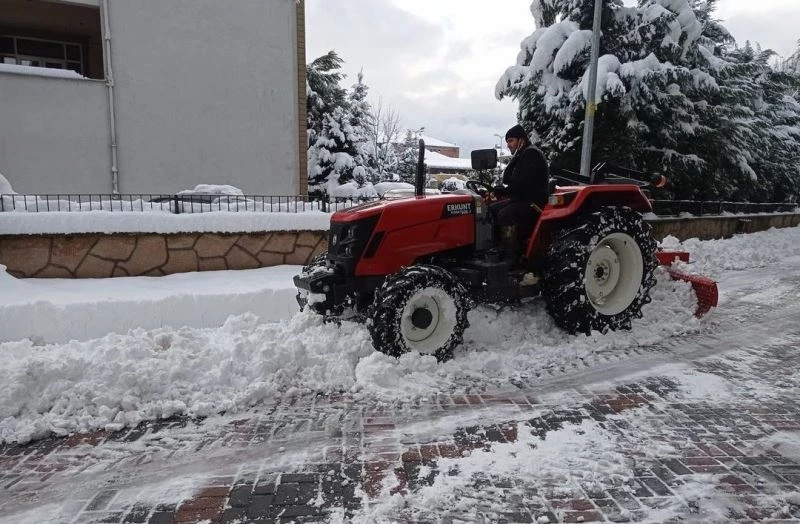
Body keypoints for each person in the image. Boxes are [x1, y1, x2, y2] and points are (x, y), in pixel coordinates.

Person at [489, 124, 550, 262]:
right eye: (507, 142)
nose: (508, 145)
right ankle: (494, 247)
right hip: (521, 199)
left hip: (534, 202)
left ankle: (510, 256)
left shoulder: (531, 154)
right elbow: (508, 178)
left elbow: (523, 183)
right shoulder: (522, 154)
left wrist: (504, 191)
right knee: (491, 209)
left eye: (511, 141)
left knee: (504, 214)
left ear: (520, 140)